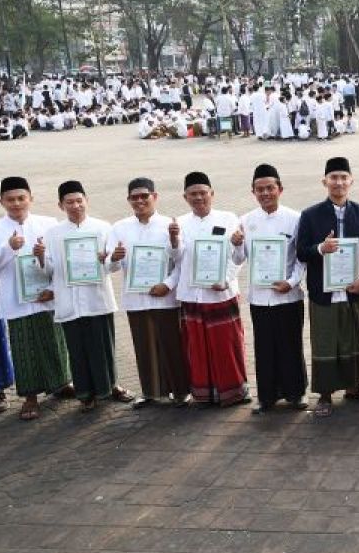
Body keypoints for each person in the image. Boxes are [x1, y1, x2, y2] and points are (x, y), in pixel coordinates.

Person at [41, 180, 134, 412]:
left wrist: (112, 258)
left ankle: (110, 386)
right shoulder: (52, 233)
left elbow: (112, 267)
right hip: (69, 301)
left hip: (97, 299)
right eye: (69, 202)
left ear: (87, 201)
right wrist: (41, 257)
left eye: (79, 200)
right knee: (77, 349)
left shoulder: (103, 228)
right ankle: (85, 394)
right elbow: (49, 270)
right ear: (60, 205)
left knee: (103, 346)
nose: (75, 206)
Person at [297, 157, 359, 417]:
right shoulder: (310, 215)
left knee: (354, 337)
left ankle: (356, 387)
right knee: (326, 341)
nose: (338, 182)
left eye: (343, 177)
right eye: (333, 178)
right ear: (324, 182)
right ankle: (325, 395)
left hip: (353, 290)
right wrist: (321, 248)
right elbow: (301, 252)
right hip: (323, 291)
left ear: (351, 181)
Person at [0, 176, 73, 420]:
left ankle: (60, 383)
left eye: (21, 198)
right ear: (1, 201)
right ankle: (30, 397)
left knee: (54, 341)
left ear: (31, 198)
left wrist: (54, 287)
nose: (16, 203)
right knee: (24, 348)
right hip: (16, 300)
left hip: (46, 296)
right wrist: (8, 248)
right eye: (10, 199)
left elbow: (60, 261)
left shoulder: (48, 224)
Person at [171, 171, 250, 407]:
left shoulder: (228, 218)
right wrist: (173, 241)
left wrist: (225, 278)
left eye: (202, 193)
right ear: (185, 197)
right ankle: (204, 394)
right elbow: (177, 258)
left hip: (221, 293)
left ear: (211, 194)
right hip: (193, 294)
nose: (198, 198)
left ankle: (233, 391)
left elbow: (237, 257)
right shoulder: (180, 223)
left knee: (227, 345)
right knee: (197, 347)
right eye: (192, 194)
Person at [108, 177, 188, 407]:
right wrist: (114, 258)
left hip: (164, 296)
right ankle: (151, 392)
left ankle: (180, 391)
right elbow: (110, 266)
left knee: (171, 345)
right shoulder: (119, 228)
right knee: (144, 346)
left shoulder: (170, 224)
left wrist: (169, 284)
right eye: (135, 197)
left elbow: (181, 261)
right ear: (129, 200)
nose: (140, 201)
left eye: (145, 196)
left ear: (155, 197)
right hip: (136, 298)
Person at [240, 164, 308, 414]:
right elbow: (239, 259)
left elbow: (302, 258)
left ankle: (296, 393)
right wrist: (236, 245)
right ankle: (266, 396)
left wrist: (291, 282)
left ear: (280, 189)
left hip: (288, 295)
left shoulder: (296, 218)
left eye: (270, 188)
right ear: (253, 192)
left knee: (291, 345)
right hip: (260, 297)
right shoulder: (246, 221)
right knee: (264, 346)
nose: (265, 193)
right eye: (260, 189)